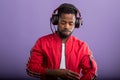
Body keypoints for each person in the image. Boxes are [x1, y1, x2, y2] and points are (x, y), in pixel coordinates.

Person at [26, 3, 97, 80]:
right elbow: (31, 69)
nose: (66, 26)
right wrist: (55, 72)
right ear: (56, 21)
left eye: (71, 23)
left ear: (76, 24)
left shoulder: (82, 46)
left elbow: (92, 72)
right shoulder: (42, 42)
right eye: (63, 22)